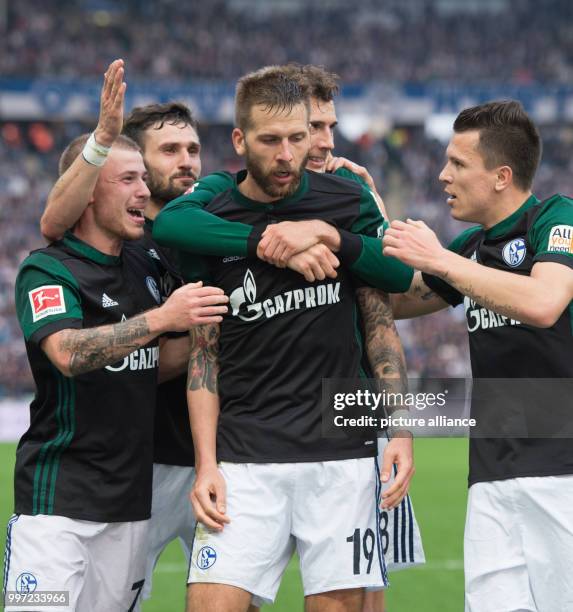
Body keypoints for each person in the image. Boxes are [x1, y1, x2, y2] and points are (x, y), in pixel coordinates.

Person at [154, 65, 415, 612]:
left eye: (298, 137)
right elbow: (206, 355)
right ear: (239, 139)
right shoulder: (213, 211)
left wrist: (328, 236)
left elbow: (389, 295)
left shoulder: (347, 199)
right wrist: (207, 464)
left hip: (339, 453)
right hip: (246, 455)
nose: (287, 154)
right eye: (271, 140)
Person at [3, 133, 228, 612]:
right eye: (127, 179)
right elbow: (66, 353)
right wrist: (162, 320)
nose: (143, 191)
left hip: (129, 506)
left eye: (143, 178)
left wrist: (232, 328)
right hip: (57, 507)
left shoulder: (147, 264)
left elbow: (153, 364)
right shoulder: (48, 270)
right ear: (87, 192)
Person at [382, 100, 573, 612]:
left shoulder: (557, 218)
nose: (443, 175)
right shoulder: (469, 249)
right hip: (490, 479)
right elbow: (391, 303)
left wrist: (442, 259)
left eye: (458, 164)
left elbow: (544, 302)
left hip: (562, 474)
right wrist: (357, 214)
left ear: (501, 176)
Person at [39, 59, 217, 608]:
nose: (185, 162)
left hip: (229, 458)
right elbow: (52, 225)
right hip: (145, 462)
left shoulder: (221, 224)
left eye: (192, 149)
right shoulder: (125, 247)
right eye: (168, 152)